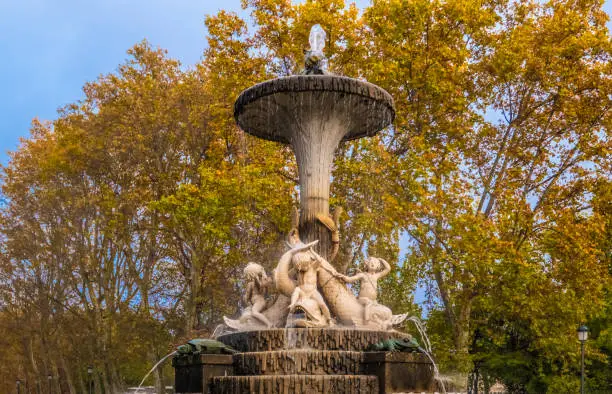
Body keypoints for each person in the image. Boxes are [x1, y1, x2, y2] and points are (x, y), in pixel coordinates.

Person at [335, 257, 391, 321]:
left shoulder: (376, 276)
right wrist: (344, 277)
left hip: (373, 301)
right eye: (371, 262)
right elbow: (350, 279)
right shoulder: (362, 275)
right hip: (362, 299)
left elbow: (388, 269)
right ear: (366, 264)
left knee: (379, 309)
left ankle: (377, 321)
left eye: (375, 263)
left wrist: (381, 259)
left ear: (378, 266)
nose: (373, 264)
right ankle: (366, 321)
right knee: (368, 303)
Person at [242, 262, 273, 328]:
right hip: (262, 302)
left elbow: (247, 296)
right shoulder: (263, 284)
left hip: (259, 302)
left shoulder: (251, 284)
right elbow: (265, 292)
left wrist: (246, 299)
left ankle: (269, 324)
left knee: (254, 312)